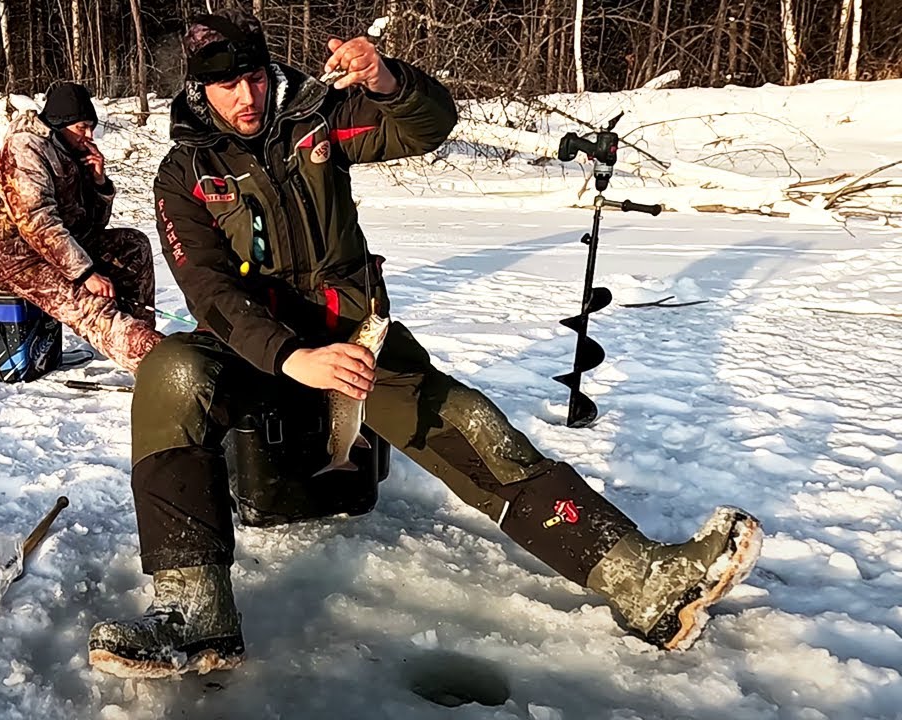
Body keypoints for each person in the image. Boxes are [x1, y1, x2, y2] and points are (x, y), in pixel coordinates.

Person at [87, 10, 763, 678]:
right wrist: (293, 356)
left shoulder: (317, 120)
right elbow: (207, 289)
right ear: (197, 89)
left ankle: (642, 581)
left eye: (256, 78)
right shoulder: (185, 172)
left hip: (355, 344)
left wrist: (386, 81)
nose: (247, 97)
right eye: (226, 84)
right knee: (171, 371)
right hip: (254, 351)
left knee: (475, 426)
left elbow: (426, 126)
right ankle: (196, 616)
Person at [0, 81, 161, 373]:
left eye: (91, 127)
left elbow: (92, 224)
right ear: (60, 122)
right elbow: (37, 222)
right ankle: (158, 366)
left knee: (133, 245)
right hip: (17, 257)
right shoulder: (25, 148)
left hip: (58, 247)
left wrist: (99, 182)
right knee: (89, 301)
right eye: (82, 127)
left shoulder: (67, 150)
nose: (89, 136)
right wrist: (86, 273)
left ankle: (136, 338)